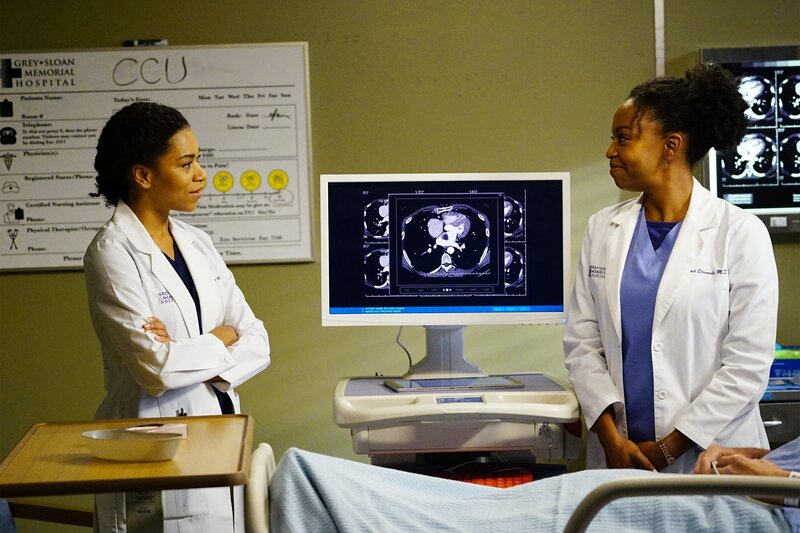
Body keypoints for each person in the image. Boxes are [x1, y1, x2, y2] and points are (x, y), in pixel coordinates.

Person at [563, 63, 779, 473]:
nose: (610, 151)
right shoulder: (602, 229)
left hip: (713, 457)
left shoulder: (739, 233)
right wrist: (612, 441)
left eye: (623, 138)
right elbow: (582, 344)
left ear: (670, 146)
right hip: (619, 455)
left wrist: (666, 450)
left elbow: (747, 366)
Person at [84, 102, 270, 532]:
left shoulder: (197, 242)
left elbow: (258, 340)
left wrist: (190, 349)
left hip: (218, 439)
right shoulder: (111, 253)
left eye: (198, 161)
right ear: (143, 175)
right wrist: (221, 337)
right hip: (150, 448)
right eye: (186, 164)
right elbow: (157, 369)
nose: (201, 174)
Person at [267, 436, 800, 532]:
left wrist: (785, 482)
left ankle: (320, 492)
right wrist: (761, 461)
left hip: (739, 513)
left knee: (493, 520)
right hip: (705, 490)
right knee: (491, 507)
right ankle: (322, 489)